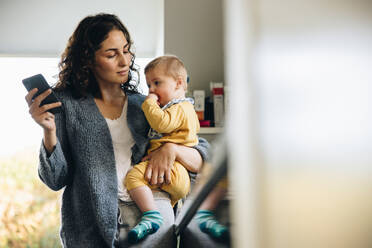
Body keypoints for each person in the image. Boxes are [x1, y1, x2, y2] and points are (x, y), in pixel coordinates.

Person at [24, 13, 209, 247]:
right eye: (112, 54)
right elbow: (55, 179)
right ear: (87, 59)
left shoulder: (146, 104)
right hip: (90, 229)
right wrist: (48, 131)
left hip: (152, 218)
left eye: (126, 50)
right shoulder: (67, 106)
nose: (125, 61)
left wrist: (172, 149)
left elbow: (202, 154)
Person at [124, 55, 200, 243]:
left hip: (173, 169)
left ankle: (151, 215)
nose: (151, 90)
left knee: (133, 177)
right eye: (149, 85)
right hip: (176, 174)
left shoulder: (179, 108)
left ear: (178, 83)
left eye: (157, 83)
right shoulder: (182, 108)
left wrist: (149, 103)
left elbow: (162, 124)